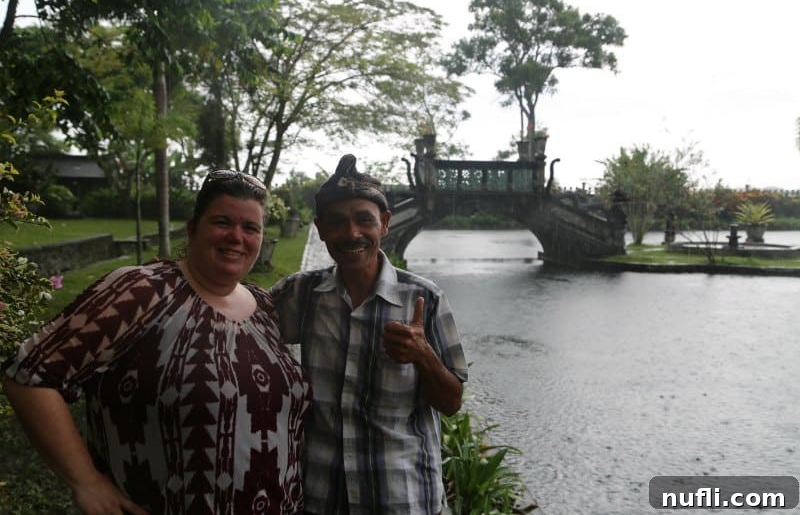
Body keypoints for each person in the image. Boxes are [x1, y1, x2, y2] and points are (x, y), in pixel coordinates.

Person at [2, 170, 312, 514]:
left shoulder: (264, 306)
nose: (236, 237)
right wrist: (85, 481)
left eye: (250, 227)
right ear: (193, 229)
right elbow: (30, 374)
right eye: (223, 222)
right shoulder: (141, 291)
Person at [269, 154, 468, 515]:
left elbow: (452, 403)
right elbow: (233, 321)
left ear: (385, 223)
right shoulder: (300, 295)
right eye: (337, 223)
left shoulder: (424, 299)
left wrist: (423, 355)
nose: (351, 234)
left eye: (364, 220)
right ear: (320, 229)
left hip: (401, 497)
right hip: (321, 496)